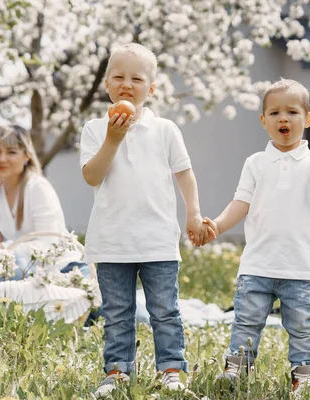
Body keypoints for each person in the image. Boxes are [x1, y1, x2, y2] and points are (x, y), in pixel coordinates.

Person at [79, 42, 215, 397]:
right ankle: (117, 371)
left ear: (151, 89)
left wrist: (194, 214)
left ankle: (171, 368)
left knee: (165, 311)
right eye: (118, 77)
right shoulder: (95, 129)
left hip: (157, 239)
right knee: (118, 313)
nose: (127, 83)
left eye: (136, 78)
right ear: (106, 84)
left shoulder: (165, 129)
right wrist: (113, 138)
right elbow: (92, 176)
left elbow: (184, 174)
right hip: (111, 241)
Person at [200, 79, 310, 394]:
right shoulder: (255, 163)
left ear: (308, 119)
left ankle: (304, 376)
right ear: (263, 121)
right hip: (257, 265)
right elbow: (241, 203)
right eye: (275, 112)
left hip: (301, 267)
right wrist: (217, 225)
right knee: (245, 323)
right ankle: (236, 371)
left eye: (292, 112)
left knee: (302, 328)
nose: (284, 118)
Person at [0, 125, 88, 290]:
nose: (2, 159)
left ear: (27, 156)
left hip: (65, 270)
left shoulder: (37, 187)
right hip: (28, 276)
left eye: (11, 152)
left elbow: (49, 243)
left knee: (112, 311)